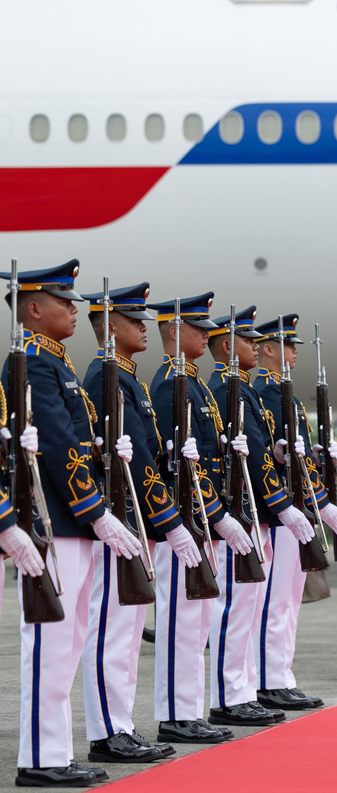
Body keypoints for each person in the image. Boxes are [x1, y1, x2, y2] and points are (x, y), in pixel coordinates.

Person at [2, 260, 141, 787]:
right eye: (64, 301)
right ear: (34, 309)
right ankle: (39, 758)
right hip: (58, 523)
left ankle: (54, 751)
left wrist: (108, 451)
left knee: (69, 638)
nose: (75, 309)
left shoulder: (58, 366)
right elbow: (57, 448)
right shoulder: (35, 362)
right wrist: (96, 511)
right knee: (51, 643)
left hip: (74, 524)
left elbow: (77, 443)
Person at [79, 282, 181, 763]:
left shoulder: (130, 380)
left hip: (135, 518)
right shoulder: (106, 377)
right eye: (135, 320)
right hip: (119, 516)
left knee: (126, 628)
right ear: (112, 327)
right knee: (111, 629)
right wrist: (165, 518)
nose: (145, 327)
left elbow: (148, 453)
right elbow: (132, 459)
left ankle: (120, 724)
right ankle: (106, 733)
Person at [251, 313, 337, 708]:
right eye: (290, 346)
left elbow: (301, 459)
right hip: (277, 512)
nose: (295, 353)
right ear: (272, 350)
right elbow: (265, 456)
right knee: (273, 602)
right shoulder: (262, 394)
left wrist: (322, 502)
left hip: (297, 511)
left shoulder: (288, 396)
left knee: (288, 602)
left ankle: (280, 675)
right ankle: (267, 681)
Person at [149, 292, 235, 747]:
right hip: (184, 516)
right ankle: (174, 712)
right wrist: (209, 514)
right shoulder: (169, 384)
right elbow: (174, 461)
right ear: (175, 332)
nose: (207, 335)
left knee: (199, 619)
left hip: (203, 513)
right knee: (180, 618)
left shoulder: (197, 384)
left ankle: (189, 709)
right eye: (198, 328)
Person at [204, 307, 282, 728]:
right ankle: (229, 697)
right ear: (228, 346)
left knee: (248, 606)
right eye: (249, 341)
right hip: (235, 509)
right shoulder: (224, 387)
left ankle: (244, 690)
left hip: (250, 509)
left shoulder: (241, 387)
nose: (257, 346)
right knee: (234, 605)